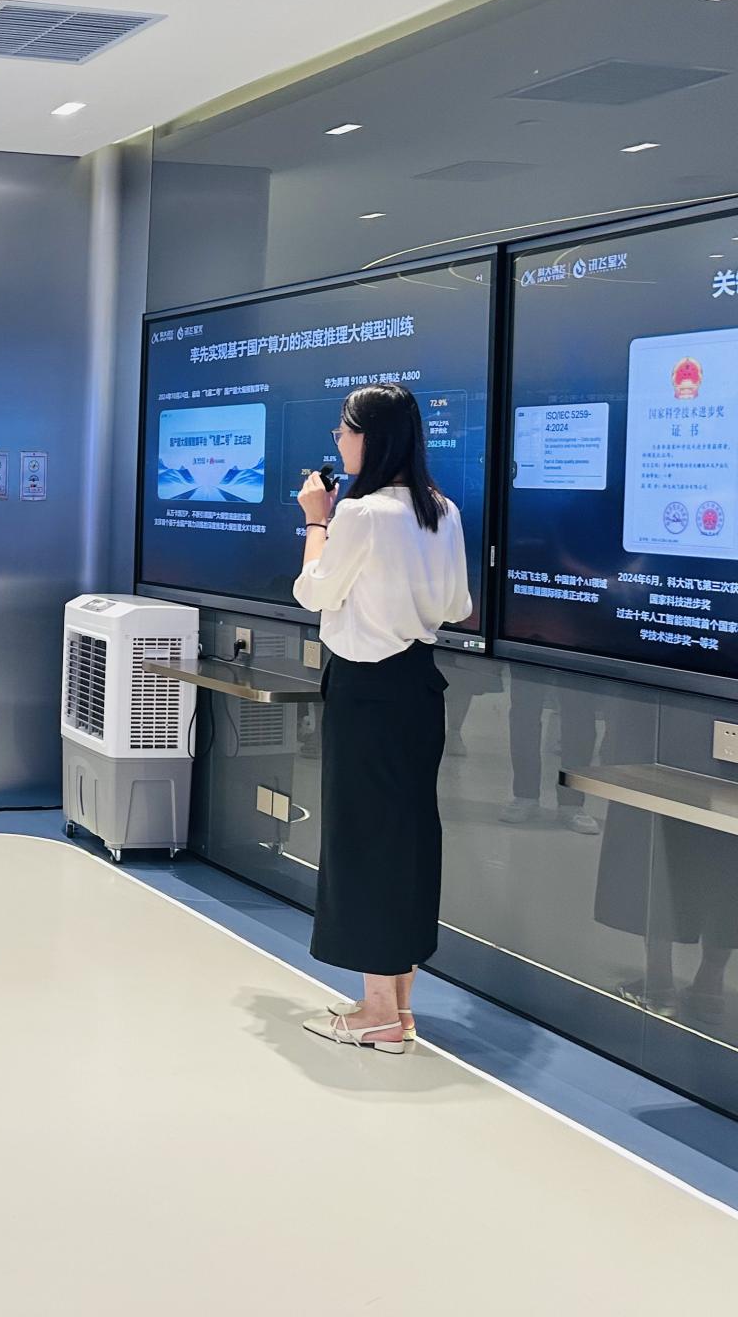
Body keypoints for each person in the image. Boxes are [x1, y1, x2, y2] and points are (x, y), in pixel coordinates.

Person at [292, 383, 470, 1055]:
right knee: (408, 840)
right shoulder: (443, 511)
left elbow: (313, 590)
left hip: (365, 691)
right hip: (418, 686)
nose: (338, 441)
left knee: (364, 840)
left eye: (344, 429)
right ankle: (399, 1008)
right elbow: (457, 605)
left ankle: (376, 1014)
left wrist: (317, 522)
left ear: (370, 437)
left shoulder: (361, 514)